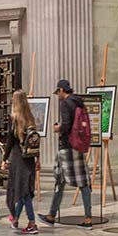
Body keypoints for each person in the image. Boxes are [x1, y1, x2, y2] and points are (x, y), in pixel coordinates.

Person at [40, 81, 94, 226]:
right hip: (77, 146)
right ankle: (86, 217)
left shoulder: (66, 104)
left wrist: (58, 128)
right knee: (81, 181)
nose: (58, 96)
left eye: (58, 93)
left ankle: (52, 215)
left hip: (66, 147)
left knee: (61, 180)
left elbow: (67, 125)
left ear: (62, 90)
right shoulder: (78, 102)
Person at [5, 93, 41, 234]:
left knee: (23, 192)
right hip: (30, 159)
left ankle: (32, 222)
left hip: (18, 159)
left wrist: (5, 158)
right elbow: (35, 142)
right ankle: (15, 219)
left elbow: (10, 141)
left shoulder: (14, 119)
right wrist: (38, 159)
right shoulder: (31, 118)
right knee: (24, 190)